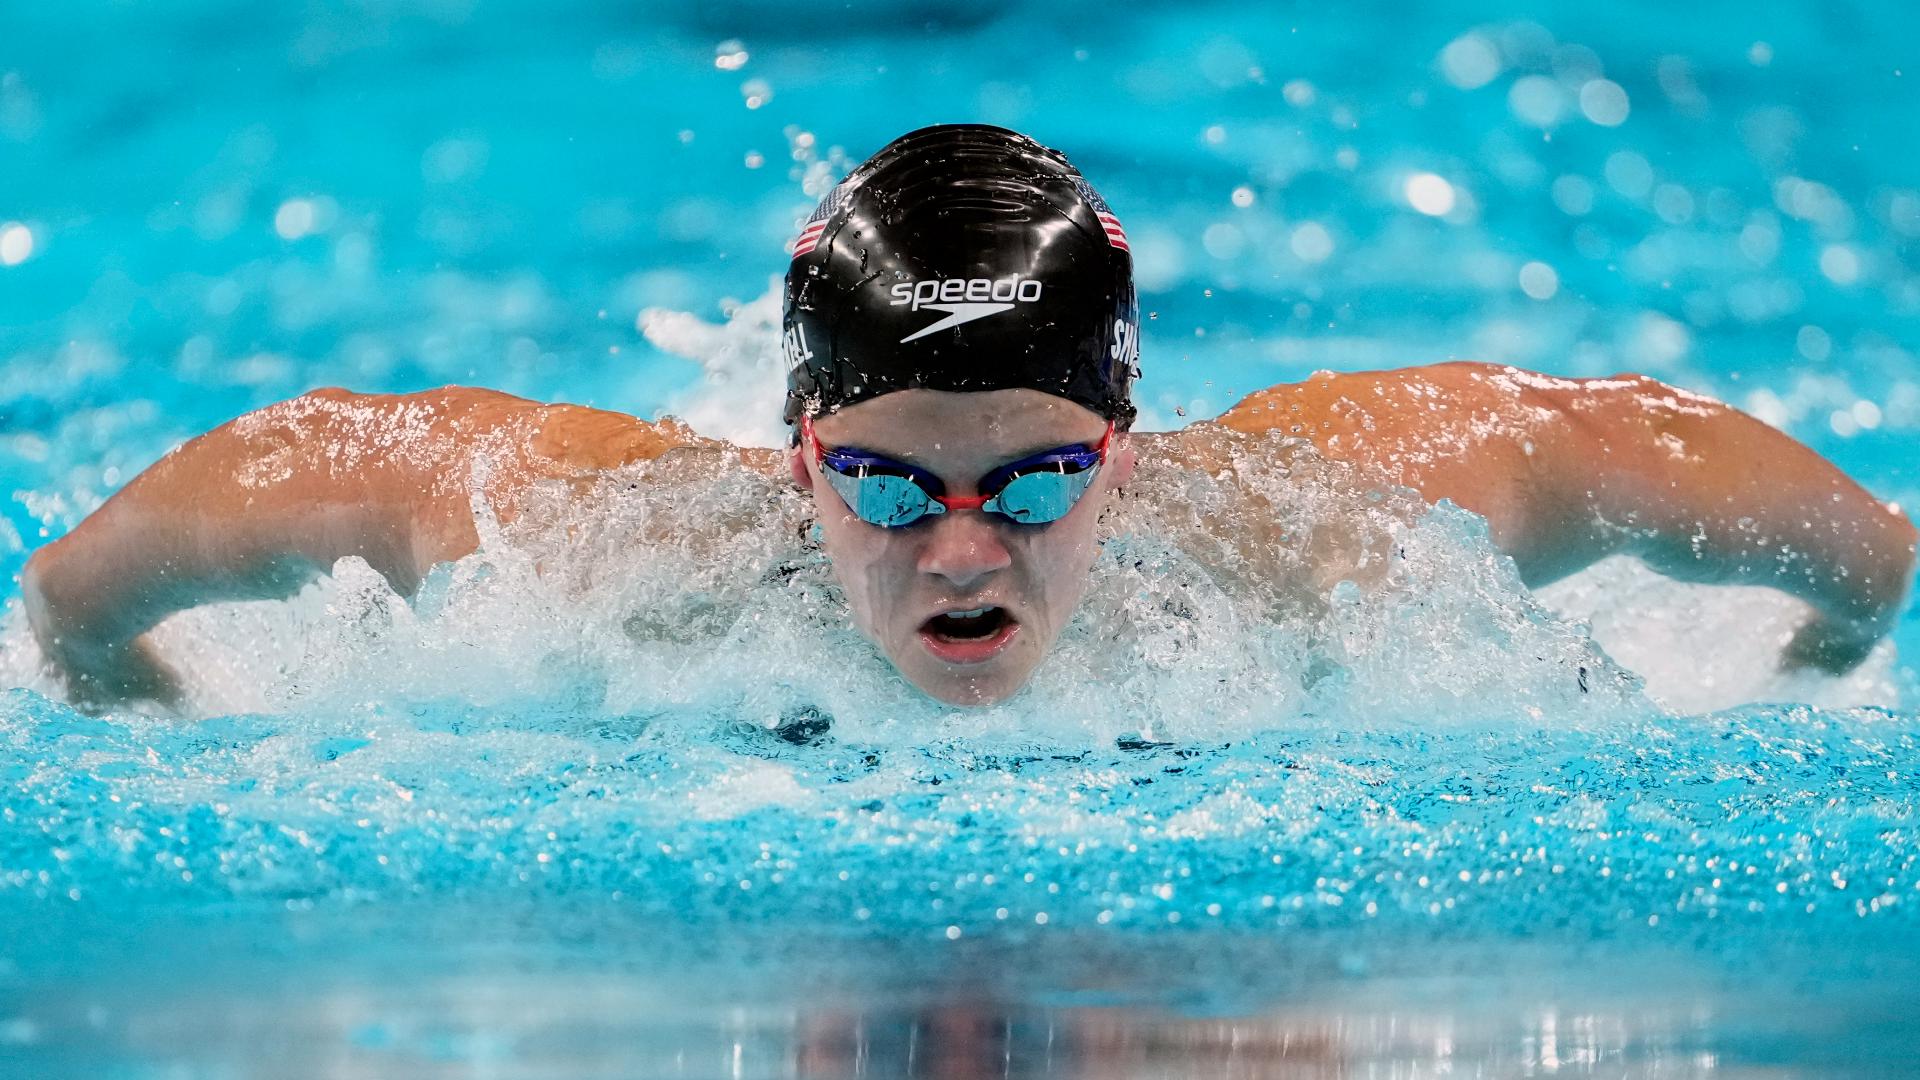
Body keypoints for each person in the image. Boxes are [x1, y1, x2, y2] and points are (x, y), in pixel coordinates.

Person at [20, 125, 1917, 711]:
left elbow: (1806, 526)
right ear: (792, 459)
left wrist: (1815, 669)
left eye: (1031, 479)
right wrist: (123, 699)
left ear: (1127, 450)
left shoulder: (1327, 535)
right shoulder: (592, 551)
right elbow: (116, 571)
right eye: (878, 479)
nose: (954, 548)